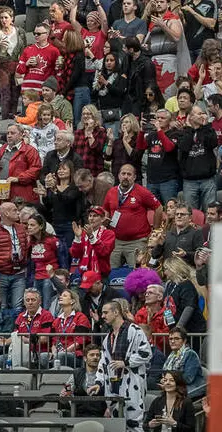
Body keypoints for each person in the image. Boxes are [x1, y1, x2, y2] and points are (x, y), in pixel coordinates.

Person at [90, 300, 153, 430]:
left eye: (105, 312)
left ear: (116, 312)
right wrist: (98, 382)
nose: (102, 316)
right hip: (113, 385)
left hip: (132, 383)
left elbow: (146, 353)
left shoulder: (134, 330)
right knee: (116, 424)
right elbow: (103, 362)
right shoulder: (108, 337)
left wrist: (126, 363)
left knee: (134, 422)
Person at [103, 164, 162, 268]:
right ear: (119, 176)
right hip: (116, 241)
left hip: (137, 242)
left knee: (138, 272)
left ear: (134, 177)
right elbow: (106, 210)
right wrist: (105, 221)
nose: (126, 176)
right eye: (123, 174)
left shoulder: (142, 192)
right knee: (111, 271)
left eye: (129, 174)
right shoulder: (111, 192)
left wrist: (155, 230)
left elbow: (159, 208)